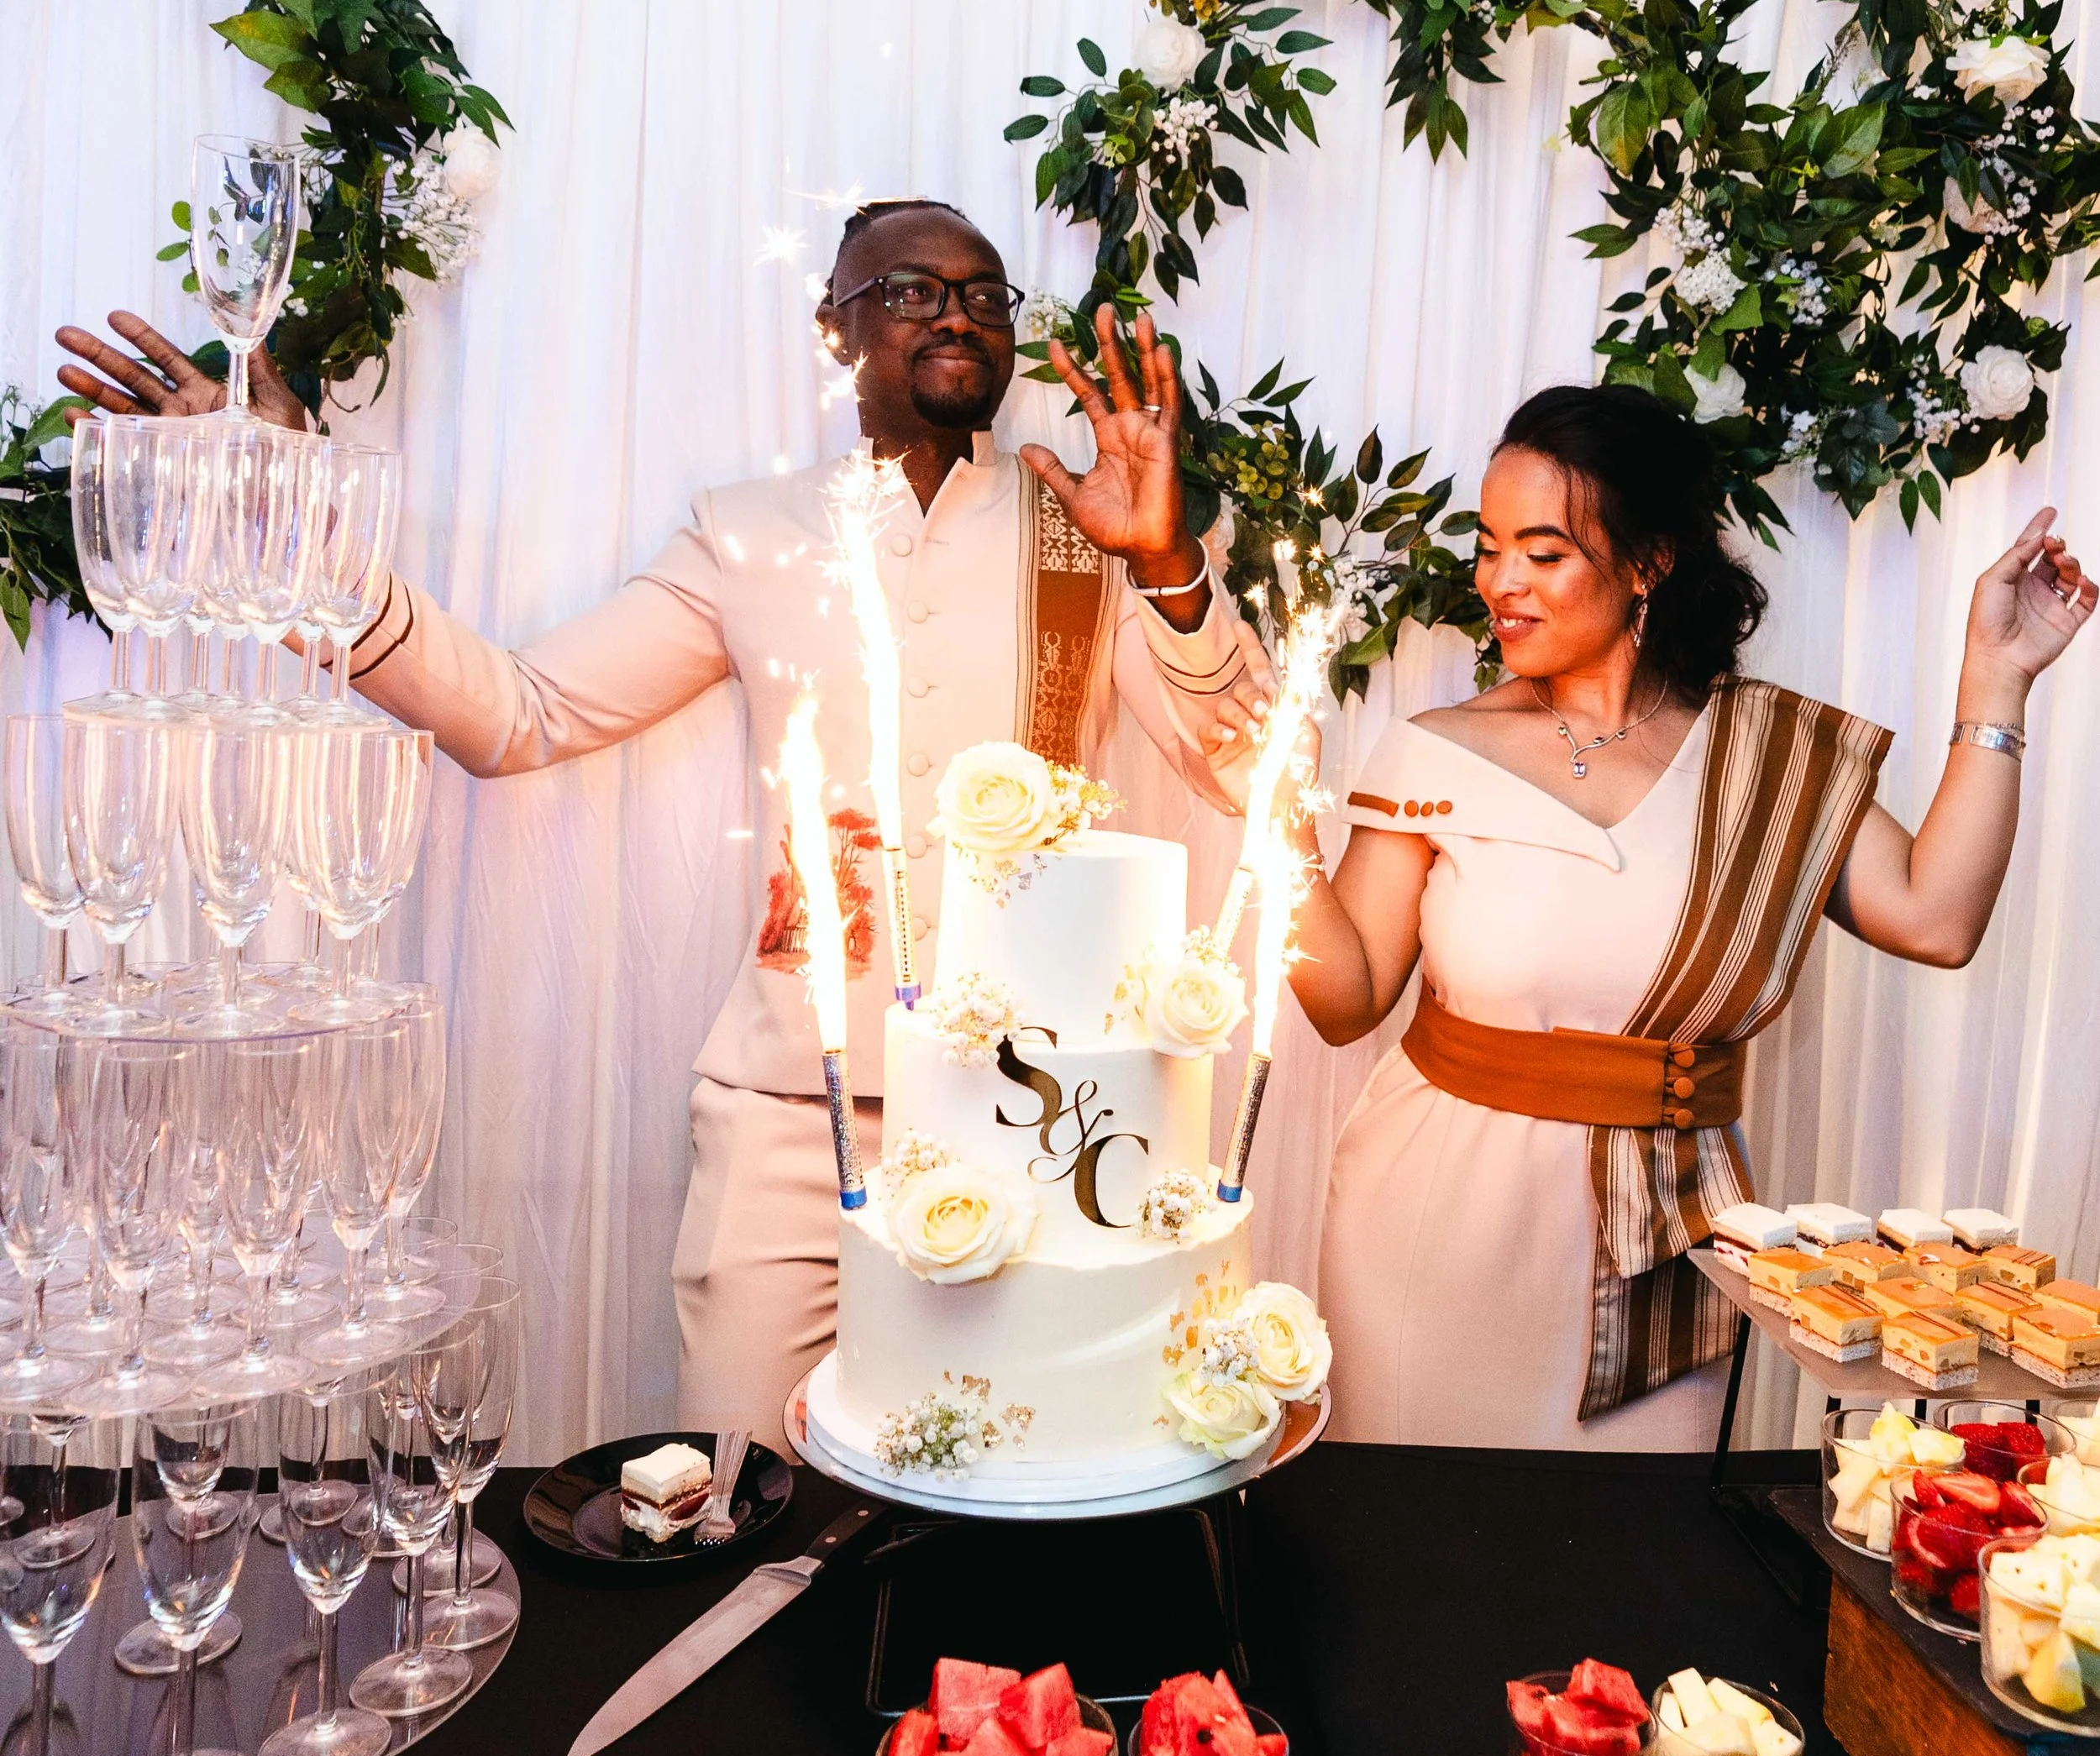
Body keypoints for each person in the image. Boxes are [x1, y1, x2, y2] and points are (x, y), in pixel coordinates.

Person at [55, 203, 1268, 1455]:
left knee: (1017, 1489)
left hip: (1041, 1110)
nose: (957, 311)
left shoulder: (1100, 524)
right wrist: (294, 518)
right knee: (733, 1493)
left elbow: (1251, 775)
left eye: (986, 294)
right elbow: (520, 715)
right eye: (910, 288)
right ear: (834, 327)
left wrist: (1173, 568)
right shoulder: (749, 528)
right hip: (793, 1112)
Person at [1287, 381, 2093, 1450]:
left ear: (1648, 562)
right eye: (1489, 549)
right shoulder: (1433, 748)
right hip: (1432, 1226)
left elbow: (1936, 921)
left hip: (1671, 1235)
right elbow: (1345, 1003)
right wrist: (1280, 825)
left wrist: (1996, 679)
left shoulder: (1767, 757)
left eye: (1542, 552)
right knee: (1420, 1550)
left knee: (1644, 1566)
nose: (1501, 585)